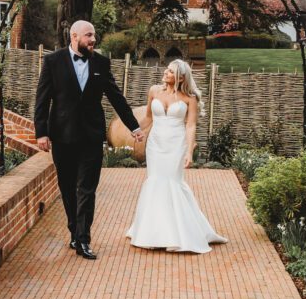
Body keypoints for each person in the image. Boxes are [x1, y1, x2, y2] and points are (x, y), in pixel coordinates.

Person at [34, 20, 144, 260]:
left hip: (91, 137)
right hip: (62, 137)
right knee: (67, 187)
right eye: (88, 35)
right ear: (74, 36)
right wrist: (41, 132)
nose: (93, 39)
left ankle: (84, 239)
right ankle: (74, 230)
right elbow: (42, 99)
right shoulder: (53, 61)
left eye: (94, 35)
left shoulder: (101, 63)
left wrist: (134, 126)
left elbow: (116, 97)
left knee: (87, 188)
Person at [126, 59, 228, 253]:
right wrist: (136, 130)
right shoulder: (154, 91)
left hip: (176, 145)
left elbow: (190, 126)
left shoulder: (189, 98)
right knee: (155, 181)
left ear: (180, 77)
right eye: (166, 70)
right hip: (155, 144)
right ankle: (153, 232)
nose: (165, 73)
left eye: (171, 71)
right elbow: (148, 117)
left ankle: (179, 234)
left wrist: (189, 151)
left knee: (173, 183)